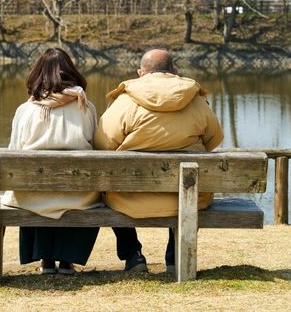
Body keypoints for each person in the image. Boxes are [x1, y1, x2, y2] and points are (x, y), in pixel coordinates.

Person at [94, 49, 224, 274]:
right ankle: (174, 257)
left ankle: (133, 255)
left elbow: (102, 144)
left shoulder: (125, 101)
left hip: (129, 197)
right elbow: (214, 141)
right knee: (189, 189)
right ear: (175, 71)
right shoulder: (197, 100)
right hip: (185, 198)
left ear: (140, 73)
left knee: (105, 185)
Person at [2, 47, 104, 275]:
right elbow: (97, 147)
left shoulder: (26, 110)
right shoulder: (86, 108)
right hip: (80, 196)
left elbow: (13, 152)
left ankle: (46, 260)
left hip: (31, 196)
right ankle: (67, 261)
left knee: (35, 191)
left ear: (37, 75)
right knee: (75, 192)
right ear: (72, 73)